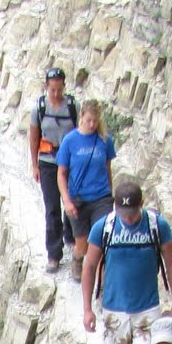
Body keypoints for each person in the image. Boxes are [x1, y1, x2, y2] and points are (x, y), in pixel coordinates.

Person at [81, 177, 172, 344]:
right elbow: (89, 266)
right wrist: (87, 309)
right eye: (123, 214)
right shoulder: (104, 227)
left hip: (148, 309)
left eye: (132, 214)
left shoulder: (157, 226)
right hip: (114, 309)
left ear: (141, 204)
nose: (127, 219)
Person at [56, 97, 115, 282]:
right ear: (81, 116)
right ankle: (77, 258)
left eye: (95, 121)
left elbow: (107, 168)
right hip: (78, 198)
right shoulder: (70, 141)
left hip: (101, 197)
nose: (92, 124)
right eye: (89, 120)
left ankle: (101, 278)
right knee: (82, 242)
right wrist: (66, 200)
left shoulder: (105, 140)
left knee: (101, 238)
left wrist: (110, 194)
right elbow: (61, 173)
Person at [27, 67, 77, 274]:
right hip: (47, 161)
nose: (56, 94)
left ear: (64, 87)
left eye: (59, 89)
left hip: (69, 162)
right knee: (52, 207)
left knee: (71, 202)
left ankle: (71, 238)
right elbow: (34, 138)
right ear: (46, 87)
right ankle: (54, 254)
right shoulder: (39, 108)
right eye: (52, 89)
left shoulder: (72, 107)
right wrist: (34, 165)